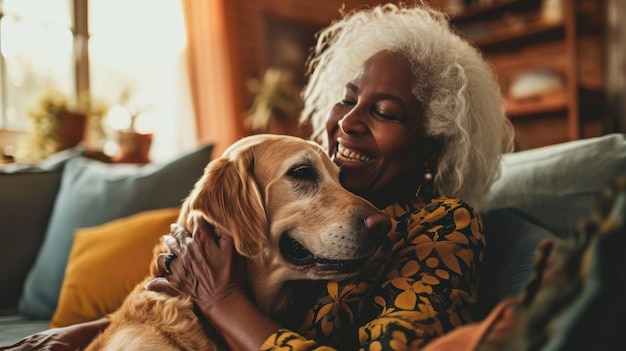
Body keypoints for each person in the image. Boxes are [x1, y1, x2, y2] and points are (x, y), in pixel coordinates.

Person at [3, 2, 513, 350]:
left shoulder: (444, 225)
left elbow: (217, 297)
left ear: (432, 148)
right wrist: (87, 333)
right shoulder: (304, 231)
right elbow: (179, 298)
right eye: (348, 98)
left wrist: (221, 302)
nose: (349, 122)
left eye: (385, 112)